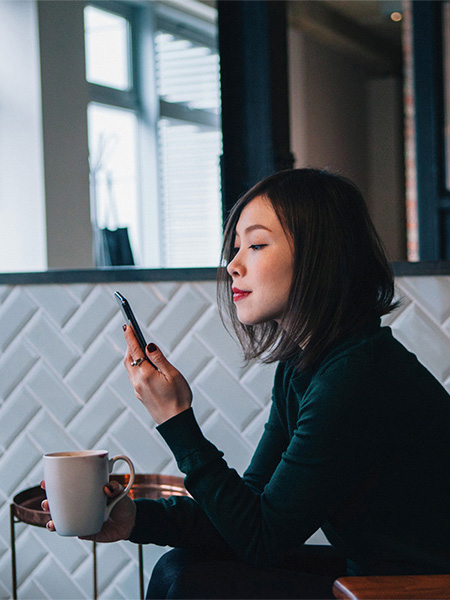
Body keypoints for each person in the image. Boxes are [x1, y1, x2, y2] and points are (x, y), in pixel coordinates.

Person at [43, 169, 450, 599]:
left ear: (319, 256)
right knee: (179, 567)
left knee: (190, 582)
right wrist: (136, 520)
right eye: (237, 247)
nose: (234, 265)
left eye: (255, 245)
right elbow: (250, 514)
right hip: (372, 578)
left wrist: (175, 419)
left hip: (418, 591)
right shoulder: (304, 368)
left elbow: (262, 539)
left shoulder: (359, 376)